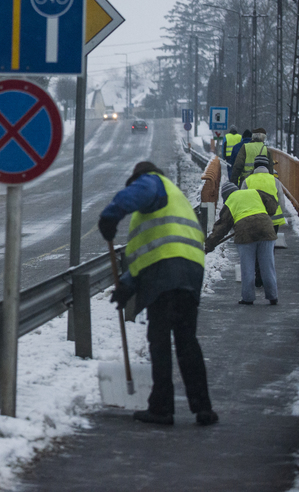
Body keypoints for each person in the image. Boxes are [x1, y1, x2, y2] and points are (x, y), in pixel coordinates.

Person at [98, 161, 218, 427]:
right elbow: (150, 252)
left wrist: (111, 215)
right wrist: (127, 285)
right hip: (189, 273)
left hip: (166, 276)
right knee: (187, 342)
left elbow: (137, 197)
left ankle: (162, 408)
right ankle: (203, 409)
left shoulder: (153, 182)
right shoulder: (174, 201)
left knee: (160, 341)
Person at [205, 182, 279, 305]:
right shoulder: (254, 192)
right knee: (267, 266)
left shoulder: (230, 201)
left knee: (247, 267)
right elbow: (272, 205)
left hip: (245, 233)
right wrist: (261, 216)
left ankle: (248, 298)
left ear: (226, 196)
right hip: (266, 228)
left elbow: (222, 227)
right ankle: (273, 296)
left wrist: (209, 245)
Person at [239, 156, 287, 235]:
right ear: (267, 166)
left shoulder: (247, 181)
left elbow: (242, 201)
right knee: (270, 244)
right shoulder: (275, 181)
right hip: (273, 220)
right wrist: (282, 213)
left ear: (255, 166)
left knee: (256, 244)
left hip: (254, 220)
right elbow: (281, 201)